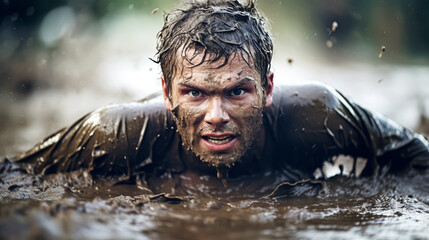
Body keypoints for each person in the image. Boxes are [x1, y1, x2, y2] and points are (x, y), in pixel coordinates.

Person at [5, 0, 429, 197]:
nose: (216, 116)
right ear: (167, 93)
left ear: (268, 88)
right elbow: (15, 180)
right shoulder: (118, 133)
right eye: (194, 93)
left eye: (237, 91)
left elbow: (418, 159)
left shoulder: (319, 115)